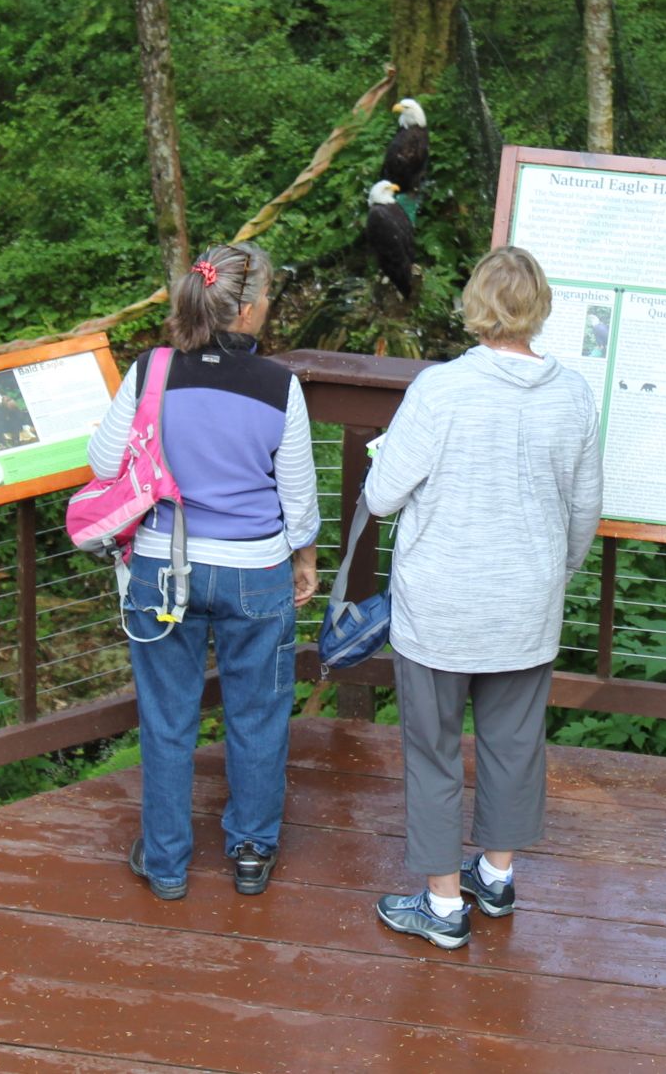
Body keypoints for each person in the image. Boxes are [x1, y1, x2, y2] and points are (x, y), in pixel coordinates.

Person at [364, 246, 603, 948]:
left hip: (439, 606)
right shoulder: (574, 394)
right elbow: (583, 511)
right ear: (540, 306)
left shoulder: (440, 390)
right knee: (515, 743)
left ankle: (441, 909)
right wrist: (550, 576)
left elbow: (380, 499)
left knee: (434, 751)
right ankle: (495, 877)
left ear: (476, 304)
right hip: (526, 602)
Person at [87, 242, 320, 900]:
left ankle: (164, 863)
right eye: (268, 296)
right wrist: (303, 558)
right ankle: (250, 852)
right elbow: (298, 500)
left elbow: (104, 463)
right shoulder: (280, 385)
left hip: (165, 565)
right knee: (259, 714)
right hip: (255, 574)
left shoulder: (153, 370)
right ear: (246, 309)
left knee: (166, 718)